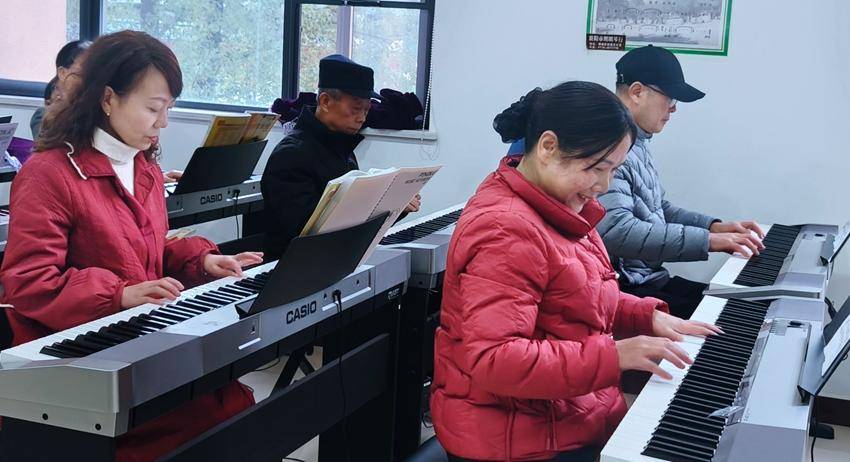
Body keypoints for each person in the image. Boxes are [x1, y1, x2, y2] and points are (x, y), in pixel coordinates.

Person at [0, 30, 263, 462]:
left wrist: (202, 260)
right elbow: (29, 282)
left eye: (169, 109)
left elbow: (146, 251)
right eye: (153, 109)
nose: (163, 123)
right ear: (108, 99)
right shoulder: (48, 174)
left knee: (231, 404)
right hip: (77, 357)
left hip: (136, 336)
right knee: (211, 418)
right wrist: (117, 294)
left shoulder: (144, 167)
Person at [430, 81, 720, 462]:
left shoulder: (557, 205)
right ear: (548, 147)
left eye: (613, 170)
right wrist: (614, 356)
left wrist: (646, 317)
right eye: (596, 168)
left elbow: (577, 292)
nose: (604, 185)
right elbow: (495, 359)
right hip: (515, 440)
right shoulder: (505, 228)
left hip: (561, 415)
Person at [597, 45, 764, 319]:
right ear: (637, 92)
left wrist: (713, 226)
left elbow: (656, 207)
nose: (674, 108)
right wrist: (708, 241)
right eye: (670, 97)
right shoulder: (608, 145)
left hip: (650, 279)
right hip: (626, 290)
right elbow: (617, 231)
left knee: (747, 307)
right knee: (736, 320)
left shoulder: (636, 141)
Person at [259, 54, 420, 259]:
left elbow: (353, 224)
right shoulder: (290, 155)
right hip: (291, 265)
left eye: (366, 110)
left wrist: (396, 206)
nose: (362, 118)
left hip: (333, 259)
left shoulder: (342, 147)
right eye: (356, 109)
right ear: (325, 101)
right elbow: (309, 231)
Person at [30, 39, 91, 139]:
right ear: (62, 73)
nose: (90, 80)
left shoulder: (100, 107)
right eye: (82, 73)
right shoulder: (42, 116)